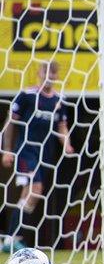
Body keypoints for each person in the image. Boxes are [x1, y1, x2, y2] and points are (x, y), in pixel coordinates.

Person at [1, 61, 74, 253]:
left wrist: (66, 144)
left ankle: (11, 238)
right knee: (35, 189)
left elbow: (61, 126)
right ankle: (13, 237)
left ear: (57, 75)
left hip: (45, 155)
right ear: (38, 73)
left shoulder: (59, 100)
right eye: (46, 71)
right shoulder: (27, 95)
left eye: (53, 71)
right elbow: (11, 123)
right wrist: (7, 150)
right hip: (26, 151)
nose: (49, 74)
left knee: (31, 195)